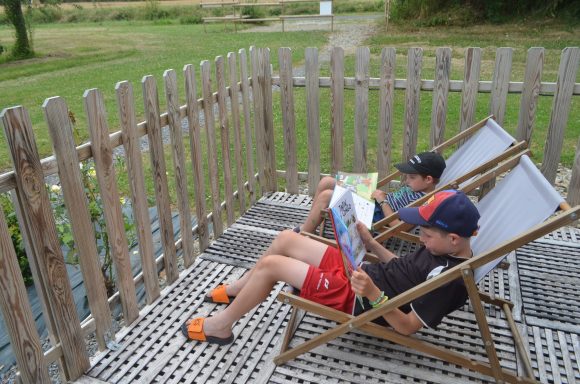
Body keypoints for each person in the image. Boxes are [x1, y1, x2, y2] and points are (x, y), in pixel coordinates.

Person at [181, 190, 480, 344]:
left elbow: (406, 328)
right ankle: (238, 289)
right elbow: (404, 269)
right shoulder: (441, 248)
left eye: (426, 234)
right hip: (364, 274)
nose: (420, 238)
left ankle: (221, 326)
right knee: (287, 239)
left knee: (272, 266)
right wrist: (371, 243)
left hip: (360, 300)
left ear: (453, 239)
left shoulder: (451, 280)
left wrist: (373, 294)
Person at [294, 151, 446, 233]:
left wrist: (382, 200)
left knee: (326, 196)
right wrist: (381, 197)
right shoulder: (418, 186)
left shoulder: (425, 203)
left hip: (376, 216)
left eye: (412, 177)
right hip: (375, 201)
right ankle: (308, 225)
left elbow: (397, 226)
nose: (407, 180)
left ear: (428, 180)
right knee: (326, 181)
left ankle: (302, 234)